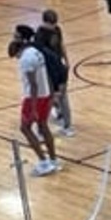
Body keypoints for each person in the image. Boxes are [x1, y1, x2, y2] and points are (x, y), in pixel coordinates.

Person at [9, 24, 59, 175]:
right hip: (45, 94)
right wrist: (51, 95)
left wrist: (34, 109)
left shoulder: (26, 59)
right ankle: (53, 160)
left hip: (33, 98)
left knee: (25, 128)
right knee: (43, 126)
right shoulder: (36, 52)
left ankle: (43, 162)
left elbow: (33, 84)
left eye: (16, 35)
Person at [37, 9, 74, 137]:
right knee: (48, 97)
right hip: (47, 70)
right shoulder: (40, 35)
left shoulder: (57, 29)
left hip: (59, 67)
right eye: (50, 24)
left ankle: (67, 125)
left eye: (54, 24)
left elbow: (61, 44)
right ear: (45, 22)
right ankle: (42, 129)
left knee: (63, 96)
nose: (53, 27)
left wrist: (66, 59)